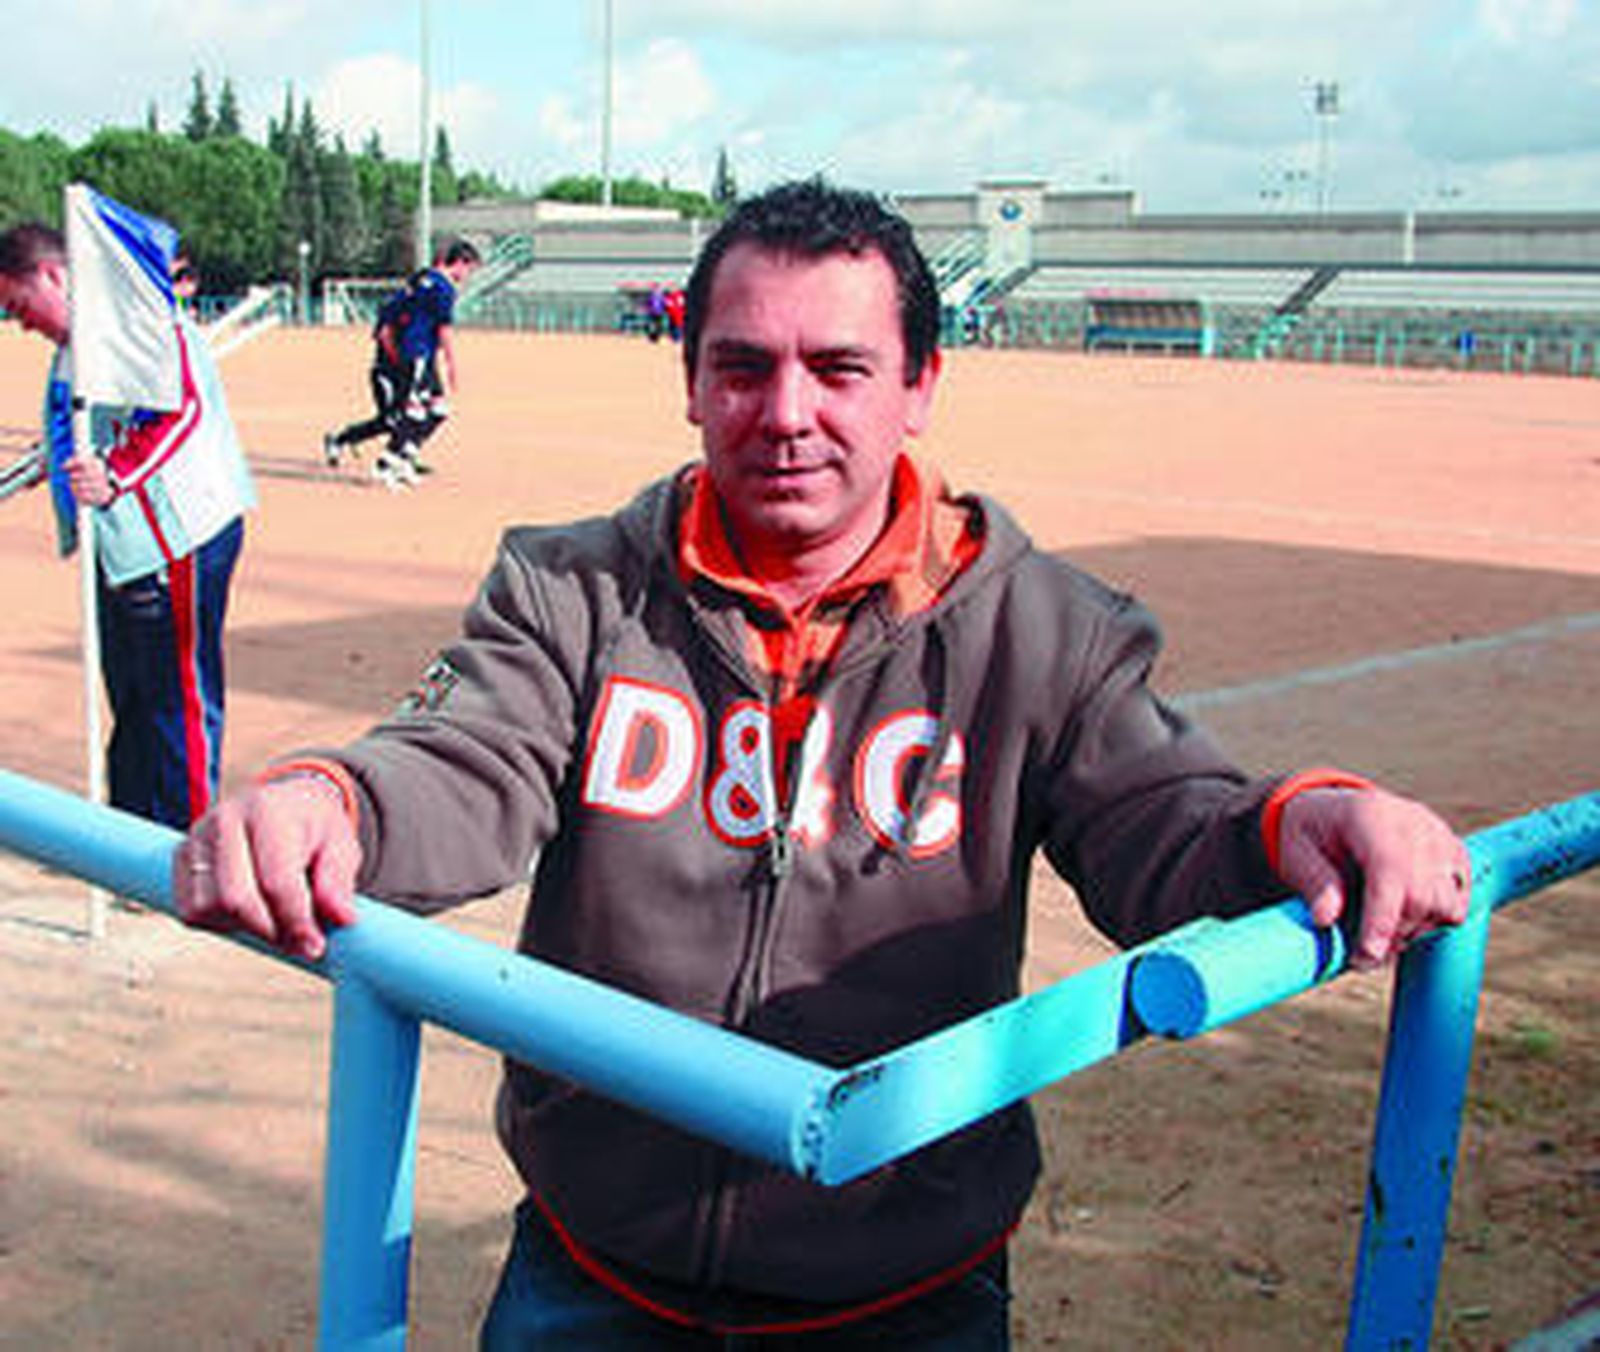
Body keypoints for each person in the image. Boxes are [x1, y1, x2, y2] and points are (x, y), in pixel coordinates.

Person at [174, 180, 1470, 1348]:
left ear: (920, 384)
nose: (786, 414)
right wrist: (334, 797)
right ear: (690, 381)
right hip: (590, 1271)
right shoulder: (570, 590)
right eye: (742, 366)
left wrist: (1298, 820)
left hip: (908, 1294)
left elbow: (1167, 822)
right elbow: (467, 758)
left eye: (838, 368)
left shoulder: (1046, 632)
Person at [0, 221, 255, 832]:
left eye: (18, 304)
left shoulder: (139, 319)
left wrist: (116, 473)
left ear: (53, 276)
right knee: (133, 697)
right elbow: (76, 430)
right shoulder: (74, 345)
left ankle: (182, 844)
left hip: (177, 537)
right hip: (118, 544)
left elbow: (183, 408)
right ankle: (130, 835)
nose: (19, 322)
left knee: (176, 698)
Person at [323, 238, 482, 490]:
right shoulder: (444, 289)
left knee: (437, 410)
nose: (468, 275)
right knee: (402, 417)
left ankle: (405, 455)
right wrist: (452, 364)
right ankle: (384, 462)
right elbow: (442, 329)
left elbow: (391, 314)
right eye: (469, 269)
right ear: (459, 262)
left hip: (420, 357)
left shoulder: (419, 279)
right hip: (409, 357)